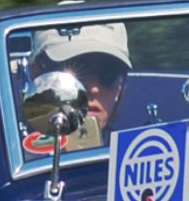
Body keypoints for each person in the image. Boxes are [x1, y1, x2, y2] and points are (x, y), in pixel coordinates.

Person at [22, 22, 130, 153]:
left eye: (108, 74)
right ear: (36, 74)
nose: (94, 88)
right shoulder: (6, 156)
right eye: (77, 73)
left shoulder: (133, 162)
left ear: (121, 87)